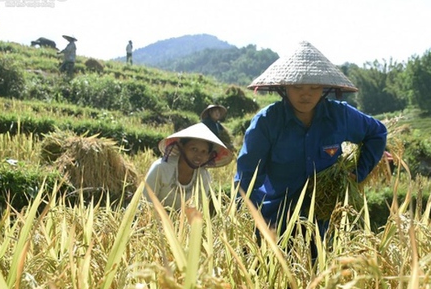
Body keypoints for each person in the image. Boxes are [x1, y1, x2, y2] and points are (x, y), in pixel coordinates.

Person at [234, 41, 388, 237]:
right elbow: (246, 177)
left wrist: (358, 173)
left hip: (323, 221)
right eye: (298, 86)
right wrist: (243, 222)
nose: (306, 94)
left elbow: (377, 133)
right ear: (285, 87)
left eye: (314, 87)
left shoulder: (340, 116)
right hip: (275, 220)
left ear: (324, 89)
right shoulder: (266, 122)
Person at [145, 122, 233, 210]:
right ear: (182, 147)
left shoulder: (203, 176)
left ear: (208, 156)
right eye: (193, 149)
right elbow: (145, 204)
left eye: (203, 152)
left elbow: (198, 209)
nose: (198, 156)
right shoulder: (161, 168)